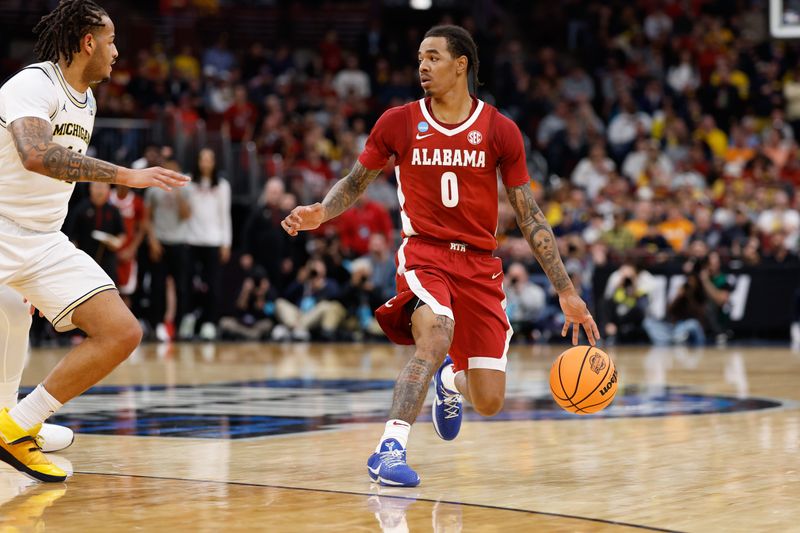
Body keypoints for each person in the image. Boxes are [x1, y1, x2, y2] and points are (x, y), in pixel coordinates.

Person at [282, 25, 598, 487]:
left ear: (461, 65)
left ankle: (449, 380)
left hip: (479, 266)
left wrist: (566, 292)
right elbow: (354, 182)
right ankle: (388, 450)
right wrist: (321, 212)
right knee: (435, 334)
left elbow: (530, 217)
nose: (423, 67)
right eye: (419, 59)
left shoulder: (500, 130)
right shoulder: (398, 121)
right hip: (425, 255)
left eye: (433, 57)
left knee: (489, 400)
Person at [0, 0, 187, 482]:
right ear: (88, 42)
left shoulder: (87, 100)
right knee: (10, 314)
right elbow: (36, 155)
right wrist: (128, 176)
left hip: (43, 240)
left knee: (122, 332)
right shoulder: (32, 84)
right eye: (112, 42)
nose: (117, 53)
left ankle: (17, 426)